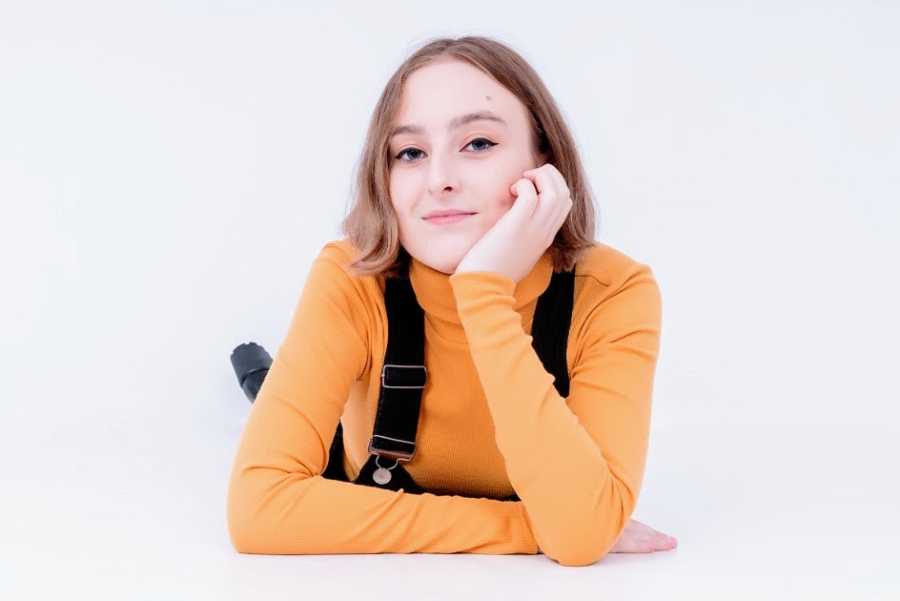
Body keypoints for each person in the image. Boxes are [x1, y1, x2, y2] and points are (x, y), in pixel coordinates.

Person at [227, 35, 676, 567]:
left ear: (545, 164)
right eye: (411, 153)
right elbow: (260, 509)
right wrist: (531, 526)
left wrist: (483, 296)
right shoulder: (353, 276)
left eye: (479, 144)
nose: (439, 180)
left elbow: (578, 540)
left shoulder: (614, 294)